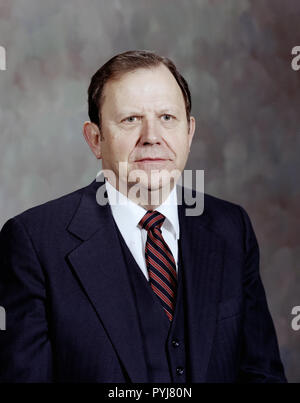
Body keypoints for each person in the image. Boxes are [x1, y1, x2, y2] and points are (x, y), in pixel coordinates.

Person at [0, 50, 287, 383]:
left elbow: (261, 373)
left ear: (189, 133)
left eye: (167, 117)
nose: (152, 136)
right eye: (130, 119)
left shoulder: (231, 228)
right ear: (95, 139)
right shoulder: (34, 242)